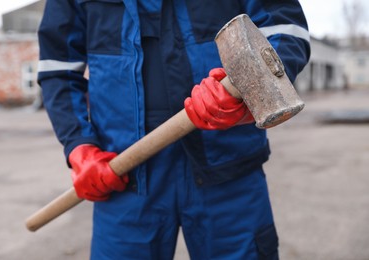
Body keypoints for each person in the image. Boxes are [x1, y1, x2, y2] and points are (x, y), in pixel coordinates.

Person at [37, 0, 310, 259]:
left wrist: (249, 91)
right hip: (123, 174)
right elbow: (58, 69)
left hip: (229, 168)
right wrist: (79, 146)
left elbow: (285, 29)